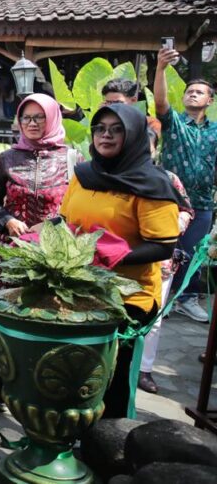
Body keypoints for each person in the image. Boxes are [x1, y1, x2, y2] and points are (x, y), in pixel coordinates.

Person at [60, 104, 180, 417]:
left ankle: (109, 446)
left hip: (127, 296)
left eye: (117, 129)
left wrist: (113, 255)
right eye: (100, 128)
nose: (106, 135)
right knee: (73, 372)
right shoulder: (84, 175)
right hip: (79, 287)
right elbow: (64, 219)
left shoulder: (153, 184)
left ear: (134, 136)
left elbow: (163, 245)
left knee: (110, 379)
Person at [0, 93, 76, 402]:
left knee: (40, 316)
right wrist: (6, 219)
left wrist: (53, 225)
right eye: (26, 118)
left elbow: (79, 207)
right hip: (9, 249)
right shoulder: (8, 158)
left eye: (39, 118)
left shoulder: (71, 159)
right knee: (1, 315)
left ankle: (39, 381)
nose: (32, 124)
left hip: (51, 253)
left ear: (53, 119)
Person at [155, 47, 217, 323]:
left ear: (210, 100)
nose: (193, 93)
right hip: (169, 200)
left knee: (192, 254)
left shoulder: (215, 131)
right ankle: (160, 298)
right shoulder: (174, 123)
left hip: (202, 202)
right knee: (164, 249)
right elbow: (160, 104)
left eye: (199, 91)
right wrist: (160, 69)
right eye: (189, 91)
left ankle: (187, 299)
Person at [139, 127, 193, 394]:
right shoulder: (114, 176)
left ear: (155, 149)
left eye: (146, 145)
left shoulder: (169, 178)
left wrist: (170, 228)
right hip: (122, 258)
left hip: (160, 260)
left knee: (154, 317)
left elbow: (187, 209)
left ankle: (144, 369)